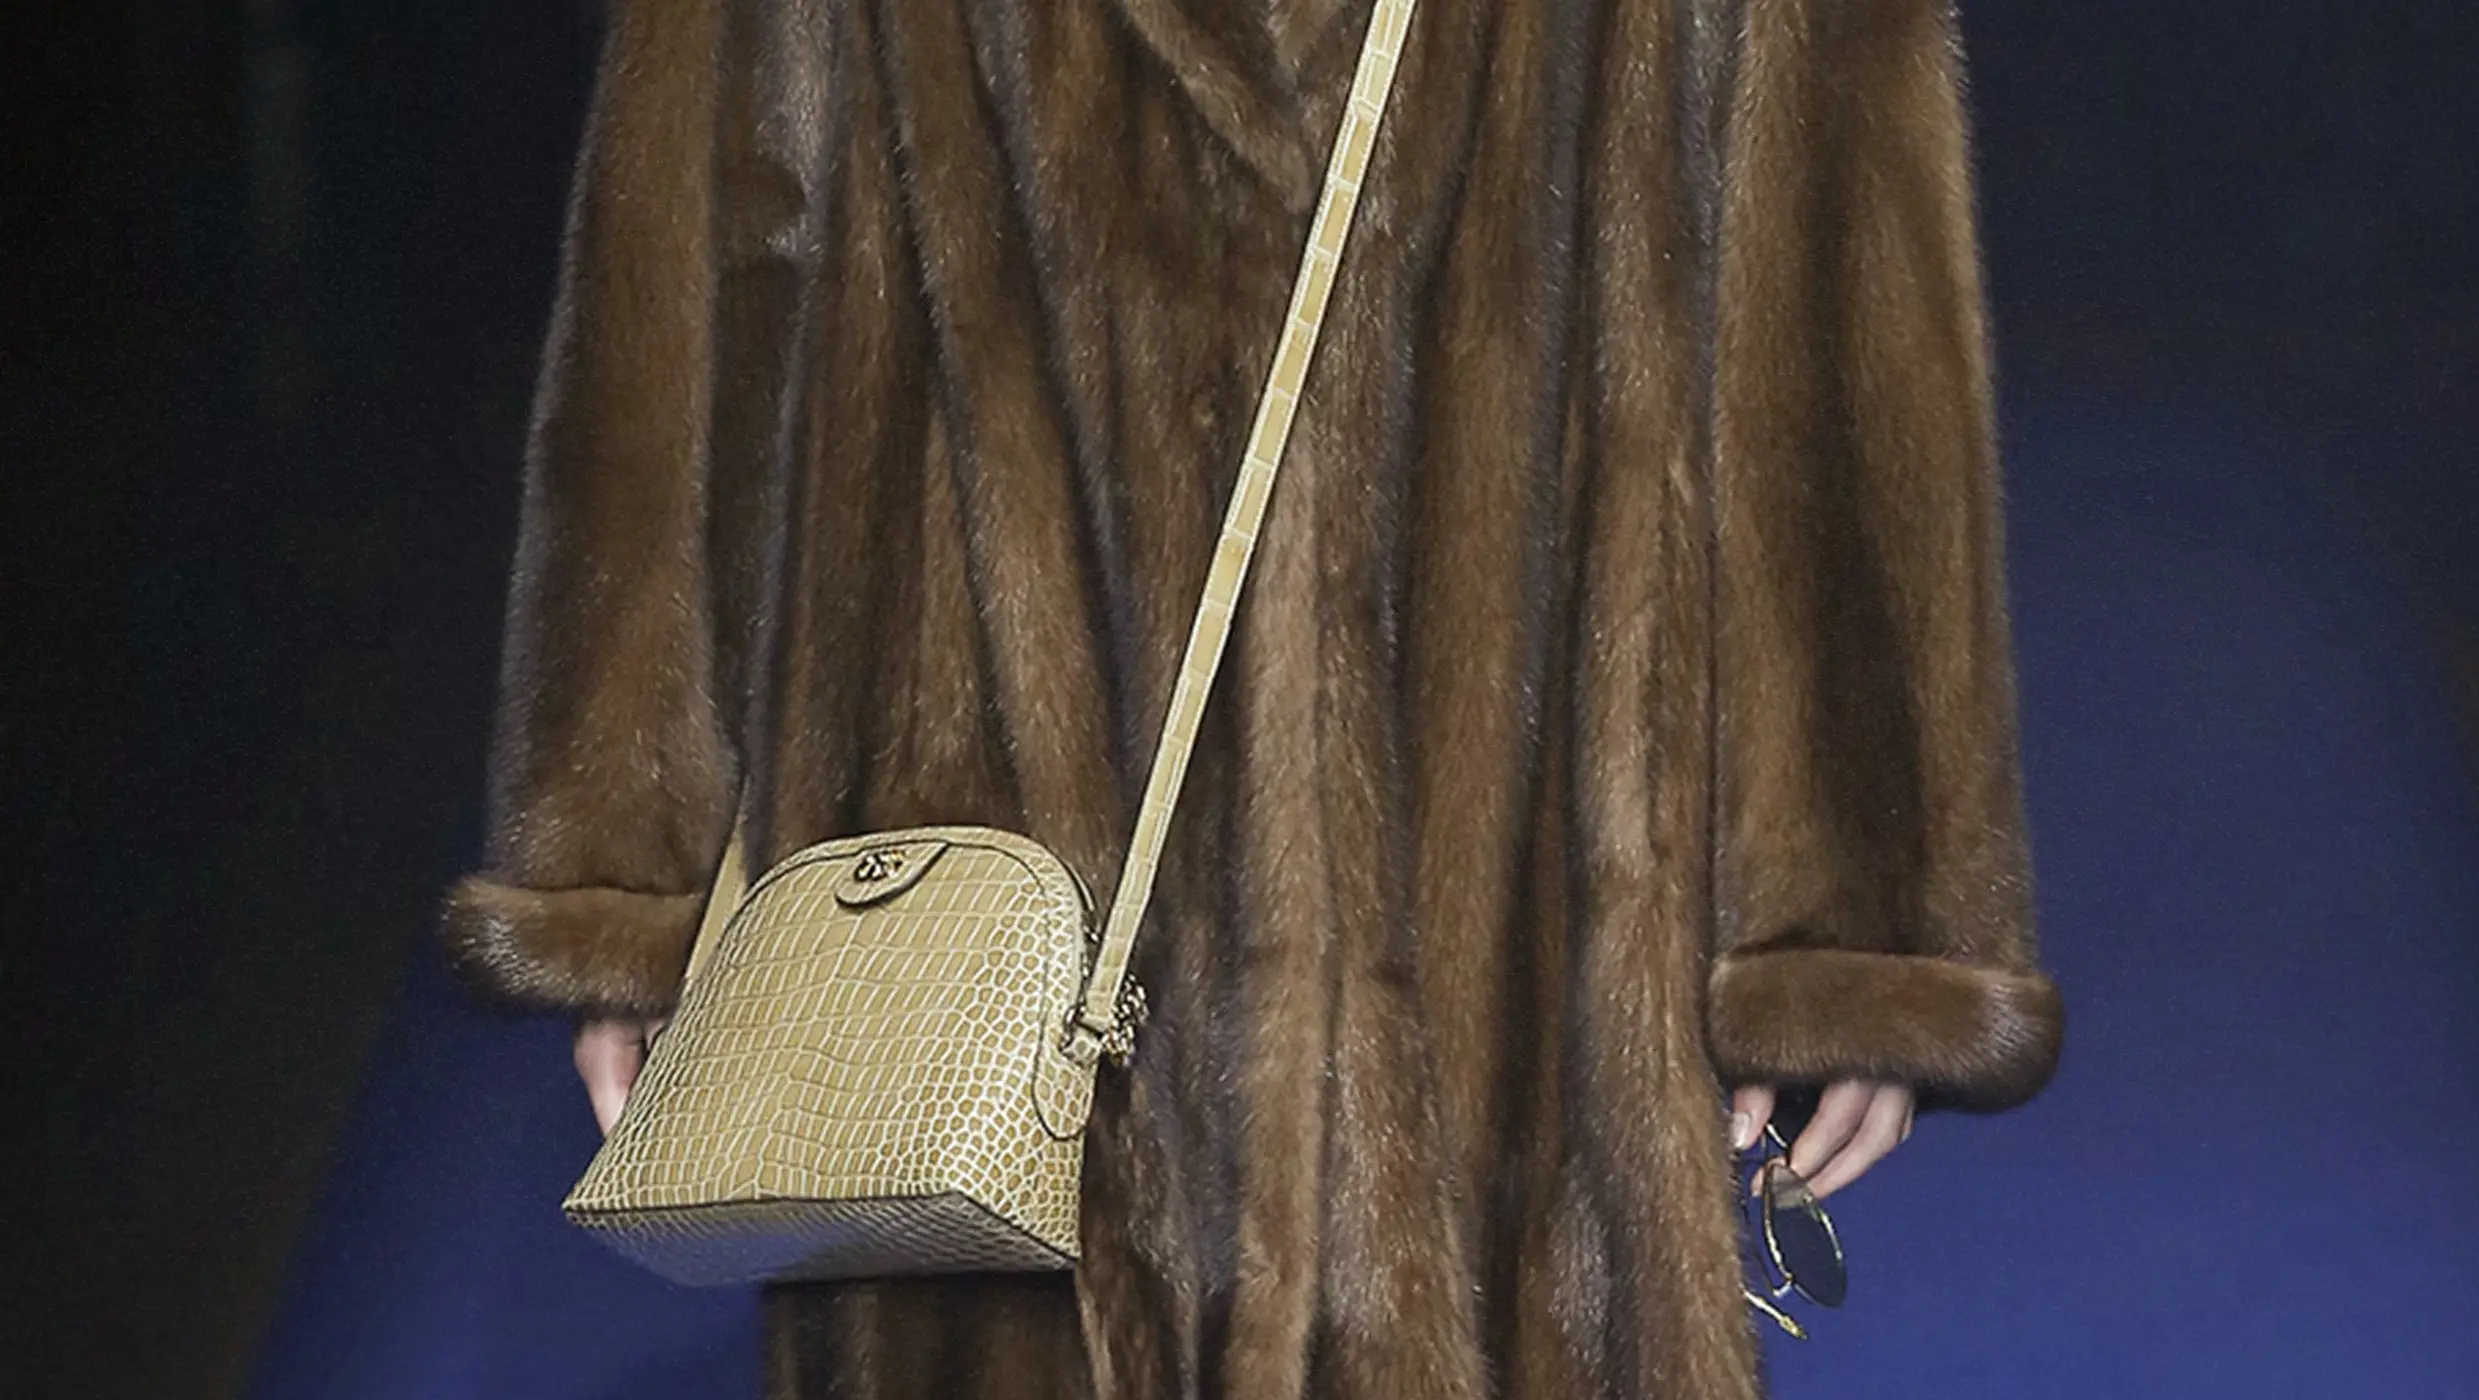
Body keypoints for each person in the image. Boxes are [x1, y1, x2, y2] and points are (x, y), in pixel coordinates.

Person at [440, 0, 2064, 1395]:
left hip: (1506, 876)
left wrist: (1861, 908)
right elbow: (703, 244)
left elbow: (1825, 258)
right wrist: (629, 860)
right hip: (985, 884)